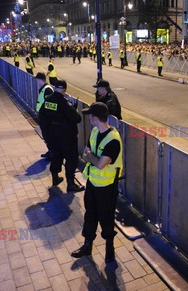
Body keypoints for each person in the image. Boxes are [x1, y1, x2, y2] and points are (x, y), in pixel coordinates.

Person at [71, 102, 123, 263]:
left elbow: (100, 164)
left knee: (106, 217)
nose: (90, 119)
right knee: (90, 214)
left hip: (107, 186)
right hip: (93, 182)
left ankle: (110, 248)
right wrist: (93, 158)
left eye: (91, 116)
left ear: (95, 118)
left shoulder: (113, 139)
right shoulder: (94, 131)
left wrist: (91, 157)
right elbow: (87, 153)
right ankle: (87, 245)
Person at [39, 79, 85, 192]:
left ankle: (55, 178)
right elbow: (77, 118)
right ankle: (70, 184)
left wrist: (46, 135)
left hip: (53, 135)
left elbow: (42, 117)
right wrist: (74, 109)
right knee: (71, 158)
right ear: (64, 90)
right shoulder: (64, 103)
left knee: (56, 156)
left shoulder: (47, 100)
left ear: (55, 88)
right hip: (67, 136)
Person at [34, 73, 54, 159]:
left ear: (40, 79)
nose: (36, 81)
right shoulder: (43, 89)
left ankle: (52, 153)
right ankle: (50, 151)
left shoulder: (47, 89)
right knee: (46, 135)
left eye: (37, 79)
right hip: (43, 117)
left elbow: (49, 105)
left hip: (47, 118)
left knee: (48, 135)